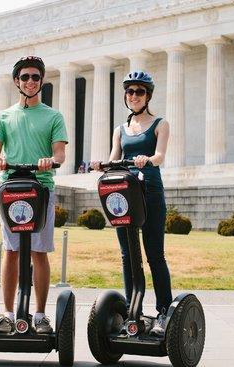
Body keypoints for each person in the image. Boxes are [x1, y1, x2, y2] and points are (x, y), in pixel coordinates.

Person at [0, 56, 68, 334]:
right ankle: (8, 313)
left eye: (35, 77)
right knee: (10, 252)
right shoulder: (4, 116)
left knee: (38, 251)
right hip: (10, 186)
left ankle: (41, 314)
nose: (30, 81)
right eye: (25, 77)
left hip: (41, 187)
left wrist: (51, 160)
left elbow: (60, 153)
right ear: (16, 82)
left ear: (42, 81)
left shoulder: (53, 116)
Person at [90, 71, 172, 337]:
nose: (134, 96)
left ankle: (163, 312)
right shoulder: (120, 130)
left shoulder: (160, 124)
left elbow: (159, 156)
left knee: (154, 254)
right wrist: (100, 164)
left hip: (149, 191)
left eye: (139, 92)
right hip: (124, 194)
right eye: (130, 92)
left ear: (148, 96)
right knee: (128, 256)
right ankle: (131, 309)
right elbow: (114, 158)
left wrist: (146, 159)